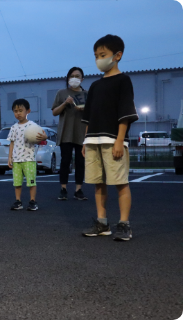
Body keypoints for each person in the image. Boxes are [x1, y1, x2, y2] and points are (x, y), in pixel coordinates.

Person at [81, 34, 138, 241]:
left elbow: (125, 112)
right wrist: (85, 141)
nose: (98, 59)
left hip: (113, 140)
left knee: (121, 182)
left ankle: (124, 225)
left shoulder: (124, 80)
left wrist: (119, 141)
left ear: (117, 55)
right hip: (93, 141)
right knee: (98, 182)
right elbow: (88, 117)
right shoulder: (95, 86)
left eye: (103, 55)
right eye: (96, 55)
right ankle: (102, 223)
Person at [51, 67, 88, 201]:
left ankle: (78, 190)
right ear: (67, 78)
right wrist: (65, 103)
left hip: (81, 133)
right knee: (65, 161)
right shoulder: (62, 93)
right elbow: (54, 112)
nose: (74, 78)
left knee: (80, 162)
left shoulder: (87, 94)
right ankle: (63, 188)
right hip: (66, 132)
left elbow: (92, 114)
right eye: (72, 76)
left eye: (77, 76)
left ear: (82, 79)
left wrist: (82, 109)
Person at [8, 99, 48, 211]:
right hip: (16, 159)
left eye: (21, 110)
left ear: (28, 111)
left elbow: (42, 136)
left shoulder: (33, 126)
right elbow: (12, 143)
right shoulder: (13, 128)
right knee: (17, 183)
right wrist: (10, 158)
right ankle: (18, 201)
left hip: (29, 158)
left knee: (31, 182)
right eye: (15, 111)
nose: (18, 113)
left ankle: (32, 201)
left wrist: (45, 137)